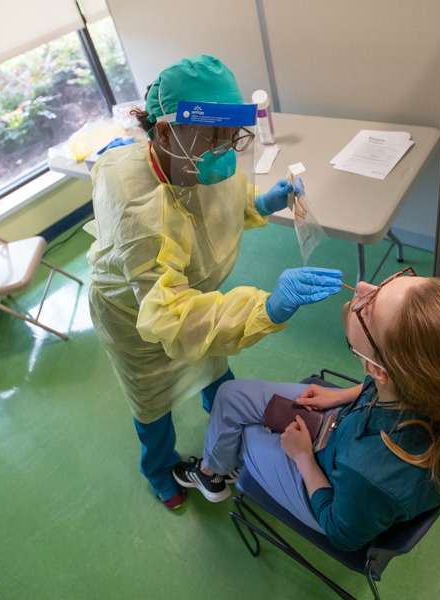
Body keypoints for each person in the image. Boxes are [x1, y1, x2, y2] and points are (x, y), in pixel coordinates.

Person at [86, 55, 342, 511]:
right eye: (212, 140)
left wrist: (262, 203)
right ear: (165, 132)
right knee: (151, 402)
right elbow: (169, 314)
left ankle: (225, 420)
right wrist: (267, 309)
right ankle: (160, 469)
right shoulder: (136, 204)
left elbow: (227, 204)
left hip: (197, 299)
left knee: (214, 367)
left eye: (232, 139)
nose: (224, 152)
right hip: (137, 316)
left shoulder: (202, 156)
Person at [173, 271, 440, 551]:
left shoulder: (371, 474)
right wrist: (341, 396)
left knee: (242, 433)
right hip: (343, 430)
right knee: (230, 397)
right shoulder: (435, 390)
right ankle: (216, 467)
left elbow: (340, 533)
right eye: (386, 284)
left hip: (330, 484)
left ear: (377, 369)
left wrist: (303, 458)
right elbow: (386, 388)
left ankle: (215, 472)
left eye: (370, 309)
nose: (362, 286)